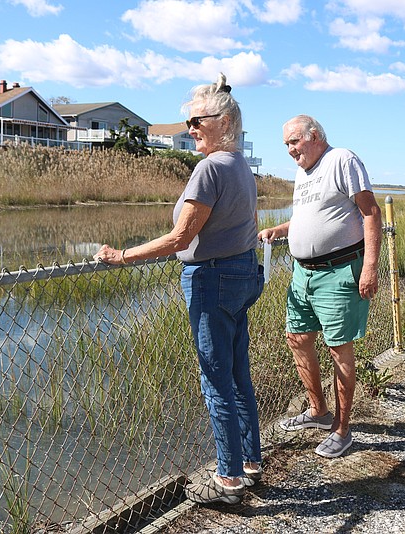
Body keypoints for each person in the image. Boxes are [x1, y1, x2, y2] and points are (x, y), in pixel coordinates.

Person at [94, 73, 264, 505]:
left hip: (213, 280)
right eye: (188, 123)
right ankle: (249, 462)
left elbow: (179, 239)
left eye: (196, 122)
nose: (190, 130)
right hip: (242, 274)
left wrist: (122, 256)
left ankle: (227, 482)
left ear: (224, 123)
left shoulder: (210, 168)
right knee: (238, 376)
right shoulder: (241, 167)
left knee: (216, 382)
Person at [257, 114, 382, 458]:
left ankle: (343, 430)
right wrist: (279, 231)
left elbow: (371, 213)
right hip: (303, 273)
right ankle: (319, 412)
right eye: (285, 144)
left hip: (339, 270)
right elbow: (308, 218)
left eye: (293, 142)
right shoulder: (303, 173)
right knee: (297, 338)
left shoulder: (342, 160)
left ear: (314, 136)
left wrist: (369, 266)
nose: (289, 150)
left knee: (338, 348)